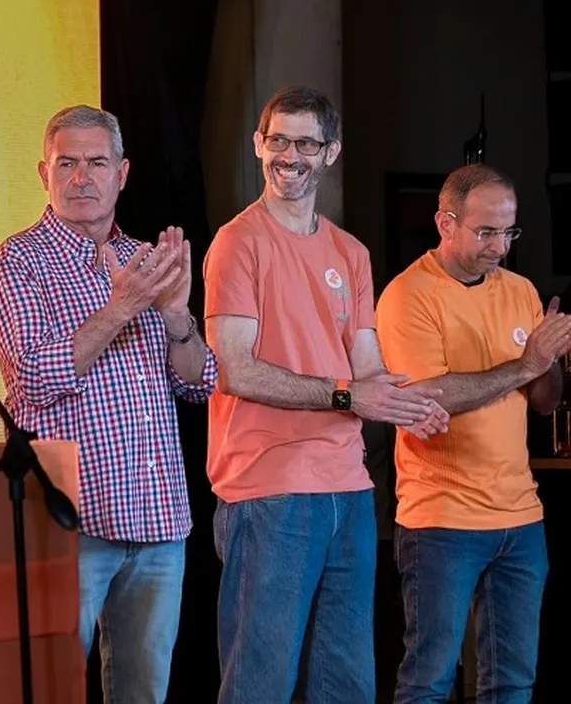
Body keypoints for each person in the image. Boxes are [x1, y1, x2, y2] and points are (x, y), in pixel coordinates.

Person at [203, 85, 448, 704]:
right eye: (277, 139)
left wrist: (409, 403)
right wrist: (349, 397)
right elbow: (236, 370)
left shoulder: (352, 252)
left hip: (348, 492)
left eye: (305, 142)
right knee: (259, 686)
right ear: (259, 145)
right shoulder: (238, 243)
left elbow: (366, 364)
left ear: (330, 152)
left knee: (346, 686)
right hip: (269, 492)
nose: (289, 155)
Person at [0, 104, 217, 702]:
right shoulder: (19, 262)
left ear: (123, 173)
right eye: (68, 164)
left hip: (159, 520)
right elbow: (33, 377)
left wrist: (176, 318)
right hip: (70, 524)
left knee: (143, 693)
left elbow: (199, 381)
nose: (82, 177)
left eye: (96, 163)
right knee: (51, 688)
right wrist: (122, 307)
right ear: (44, 174)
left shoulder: (147, 260)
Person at [375, 164, 568, 703]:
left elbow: (545, 402)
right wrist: (526, 363)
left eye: (509, 232)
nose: (500, 247)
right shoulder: (408, 295)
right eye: (486, 232)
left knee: (512, 683)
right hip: (442, 520)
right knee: (429, 682)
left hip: (521, 519)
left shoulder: (521, 290)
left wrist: (548, 361)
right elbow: (430, 395)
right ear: (446, 223)